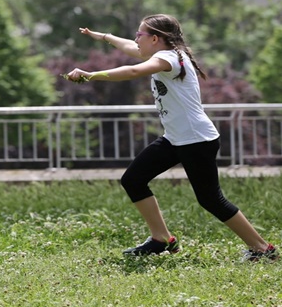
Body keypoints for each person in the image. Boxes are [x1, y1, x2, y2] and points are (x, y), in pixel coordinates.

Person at [64, 14, 278, 262]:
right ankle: (161, 239)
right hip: (176, 138)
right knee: (133, 179)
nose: (136, 39)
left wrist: (91, 75)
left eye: (140, 34)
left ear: (155, 39)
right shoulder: (167, 53)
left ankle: (263, 250)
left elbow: (133, 70)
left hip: (196, 139)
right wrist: (101, 36)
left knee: (211, 199)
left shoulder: (168, 58)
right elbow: (130, 48)